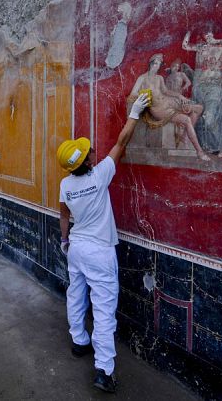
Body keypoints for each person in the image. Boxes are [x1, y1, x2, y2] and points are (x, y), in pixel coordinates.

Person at [56, 92, 149, 394]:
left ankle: (79, 341)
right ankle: (104, 370)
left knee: (75, 295)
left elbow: (64, 214)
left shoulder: (66, 184)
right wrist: (134, 112)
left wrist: (64, 240)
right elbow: (121, 142)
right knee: (104, 309)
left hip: (76, 248)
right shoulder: (100, 175)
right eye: (90, 152)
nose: (94, 151)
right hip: (98, 251)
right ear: (86, 160)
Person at [129, 53, 210, 160]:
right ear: (150, 64)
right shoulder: (142, 78)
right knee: (186, 120)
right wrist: (144, 95)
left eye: (159, 64)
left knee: (198, 108)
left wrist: (180, 96)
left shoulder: (159, 78)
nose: (156, 66)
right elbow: (133, 93)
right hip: (159, 109)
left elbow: (166, 91)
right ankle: (199, 152)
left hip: (169, 101)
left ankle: (185, 136)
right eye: (155, 63)